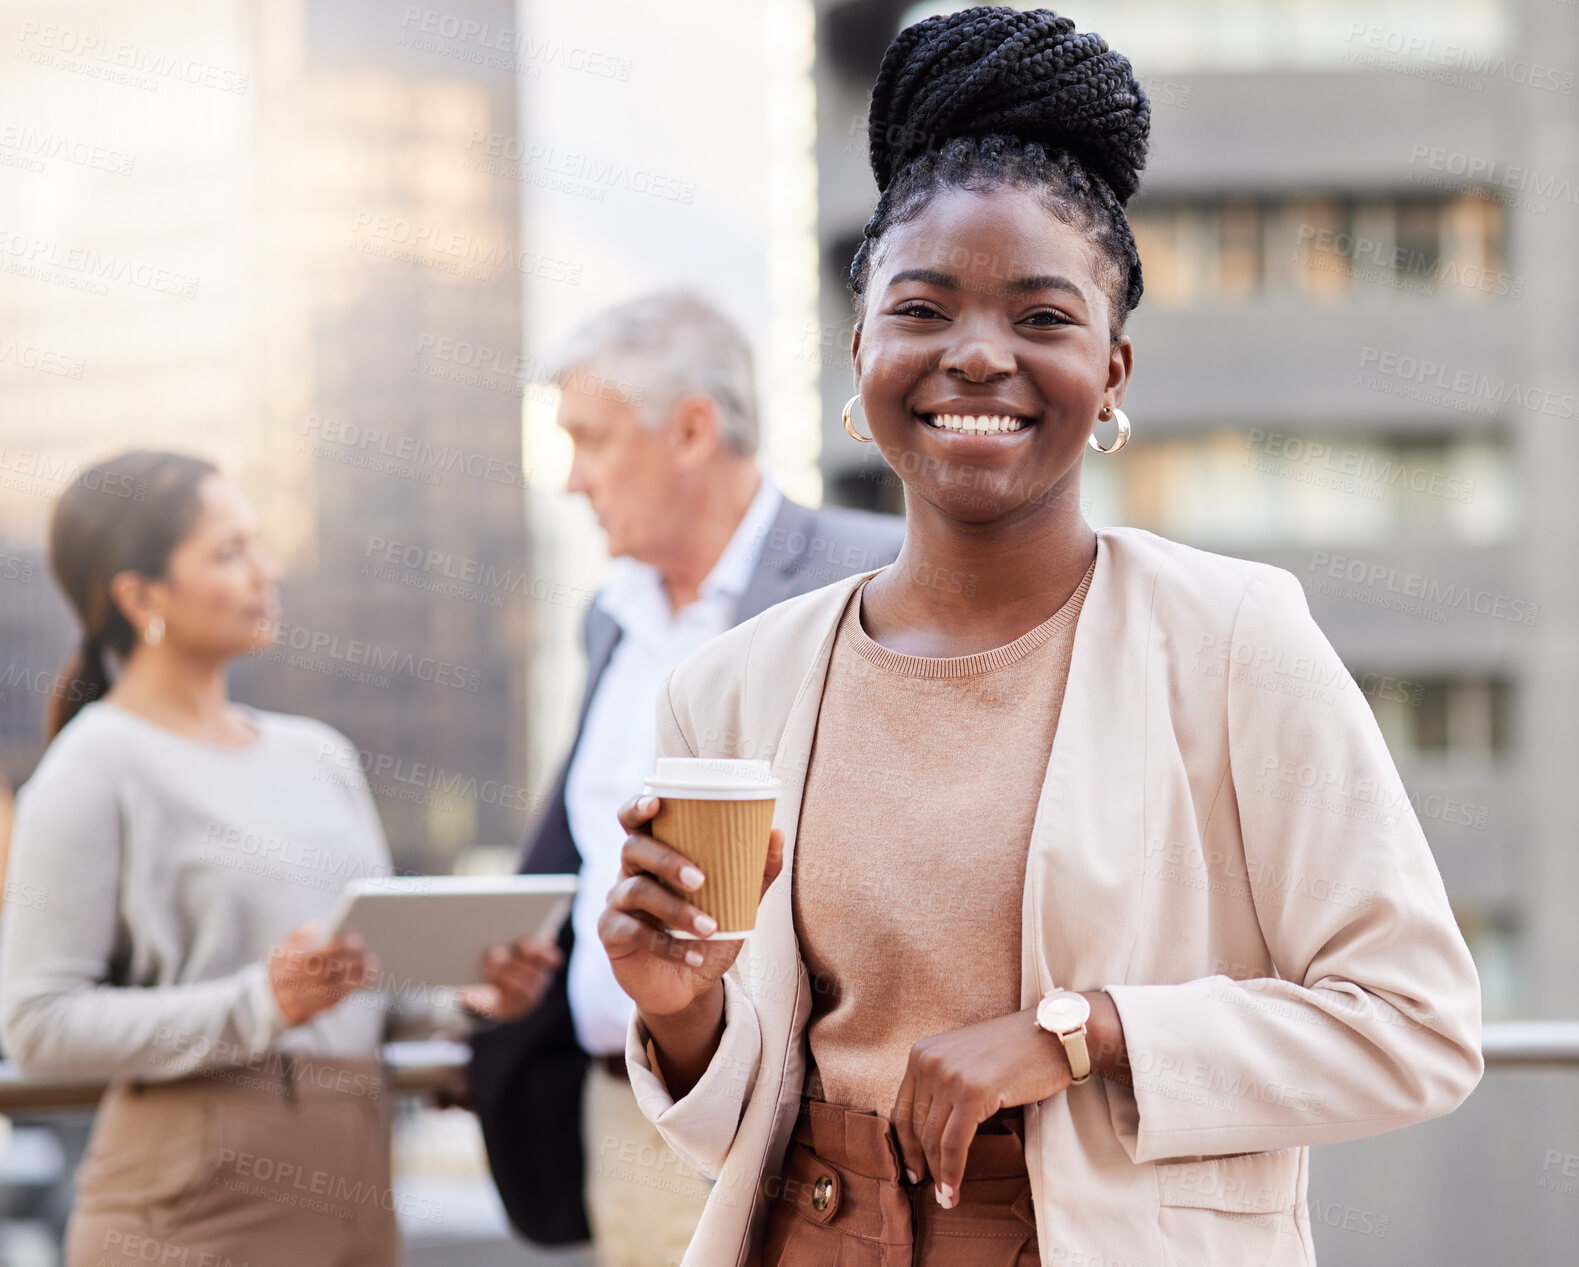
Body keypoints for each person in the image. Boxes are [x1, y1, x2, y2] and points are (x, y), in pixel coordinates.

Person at [596, 10, 1485, 1266]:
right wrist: (679, 1015)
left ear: (1112, 371)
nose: (976, 355)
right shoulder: (733, 687)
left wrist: (1083, 1030)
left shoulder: (1232, 640)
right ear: (860, 353)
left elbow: (1415, 1028)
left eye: (1041, 317)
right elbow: (743, 1125)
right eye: (924, 308)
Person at [0, 451, 560, 1267]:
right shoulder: (97, 764)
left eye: (257, 543)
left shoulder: (317, 754)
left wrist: (471, 995)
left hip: (361, 1180)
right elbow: (37, 1024)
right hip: (195, 1203)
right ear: (139, 596)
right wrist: (258, 1001)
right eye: (228, 552)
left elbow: (367, 990)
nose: (266, 571)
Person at [468, 290, 904, 1262]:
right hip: (623, 1112)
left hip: (801, 1126)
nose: (574, 479)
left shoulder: (876, 576)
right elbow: (589, 850)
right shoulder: (608, 615)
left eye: (593, 439)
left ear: (694, 429)